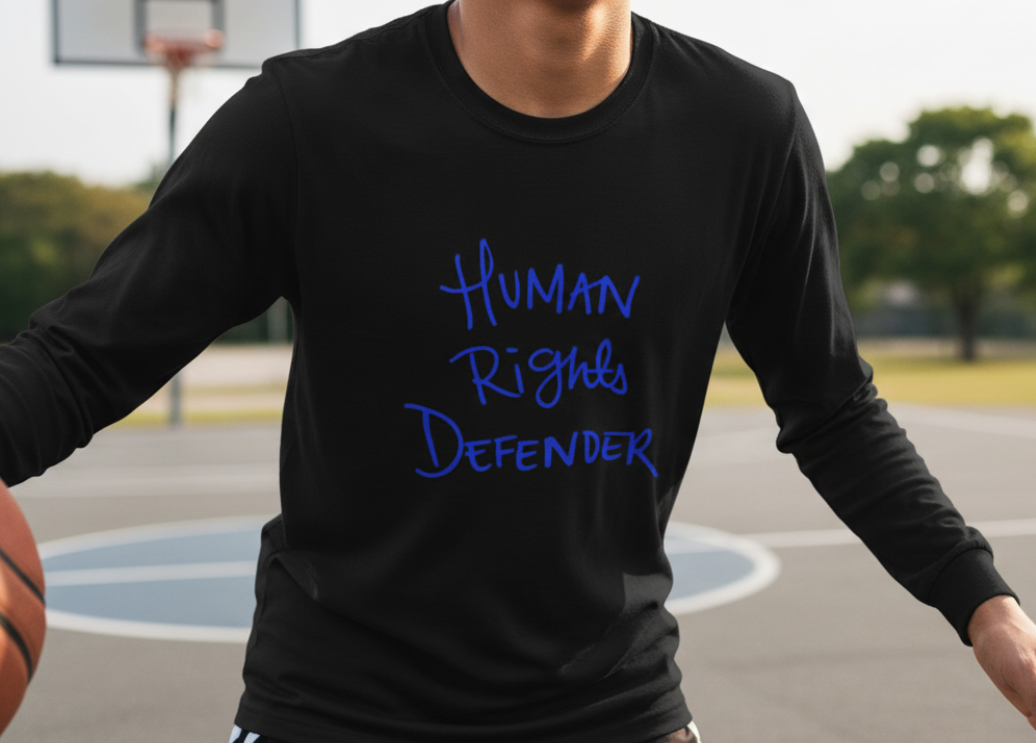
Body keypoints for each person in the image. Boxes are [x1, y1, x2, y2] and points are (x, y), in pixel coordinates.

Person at [3, 1, 1036, 741]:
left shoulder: (744, 130)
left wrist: (987, 609)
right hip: (340, 709)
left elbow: (834, 409)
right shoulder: (309, 122)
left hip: (617, 708)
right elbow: (81, 358)